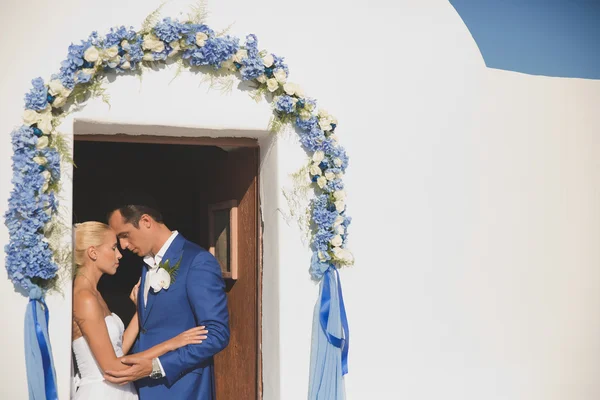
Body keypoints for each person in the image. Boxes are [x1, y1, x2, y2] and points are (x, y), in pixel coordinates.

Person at [104, 193, 230, 400]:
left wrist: (156, 366)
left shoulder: (197, 261)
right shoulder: (146, 265)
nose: (123, 245)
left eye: (124, 235)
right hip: (142, 389)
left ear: (146, 221)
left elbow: (216, 334)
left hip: (183, 389)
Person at [71, 221, 208, 400]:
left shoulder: (93, 293)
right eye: (113, 248)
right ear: (93, 252)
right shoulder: (84, 298)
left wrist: (138, 312)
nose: (119, 255)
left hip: (117, 392)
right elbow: (113, 368)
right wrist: (171, 343)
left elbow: (119, 349)